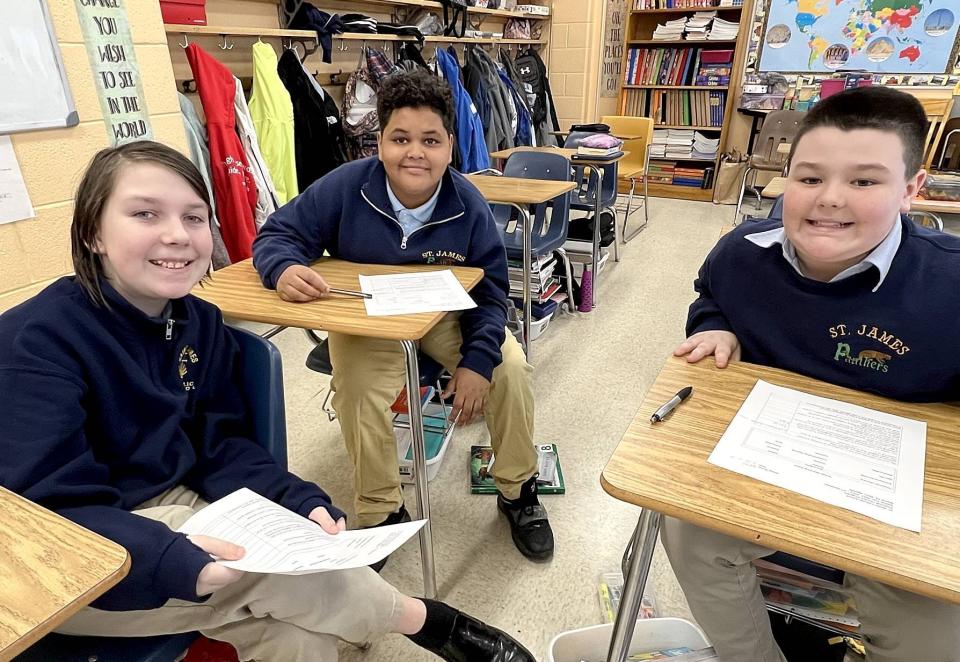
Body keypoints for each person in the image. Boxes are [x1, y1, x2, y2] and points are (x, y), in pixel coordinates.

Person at [0, 140, 535, 662]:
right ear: (93, 231)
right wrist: (169, 560)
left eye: (193, 217)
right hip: (59, 558)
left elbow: (218, 444)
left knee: (302, 641)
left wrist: (295, 499)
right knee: (276, 575)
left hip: (166, 503)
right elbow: (49, 516)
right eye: (144, 214)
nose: (176, 236)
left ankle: (400, 608)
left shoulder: (197, 321)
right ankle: (428, 623)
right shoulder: (38, 341)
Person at [666, 86, 960, 662]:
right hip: (778, 465)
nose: (829, 199)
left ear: (911, 190)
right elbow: (711, 298)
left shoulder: (949, 284)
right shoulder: (742, 253)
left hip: (901, 501)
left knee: (932, 626)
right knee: (687, 530)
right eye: (809, 178)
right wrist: (715, 325)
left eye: (864, 182)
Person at [252, 69, 553, 563]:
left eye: (430, 140)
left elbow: (493, 291)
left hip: (447, 317)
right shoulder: (346, 186)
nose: (415, 152)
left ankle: (517, 490)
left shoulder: (468, 205)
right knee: (358, 387)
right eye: (401, 138)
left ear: (451, 147)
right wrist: (282, 268)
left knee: (511, 370)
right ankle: (379, 509)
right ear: (379, 143)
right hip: (369, 318)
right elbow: (277, 234)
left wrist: (478, 363)